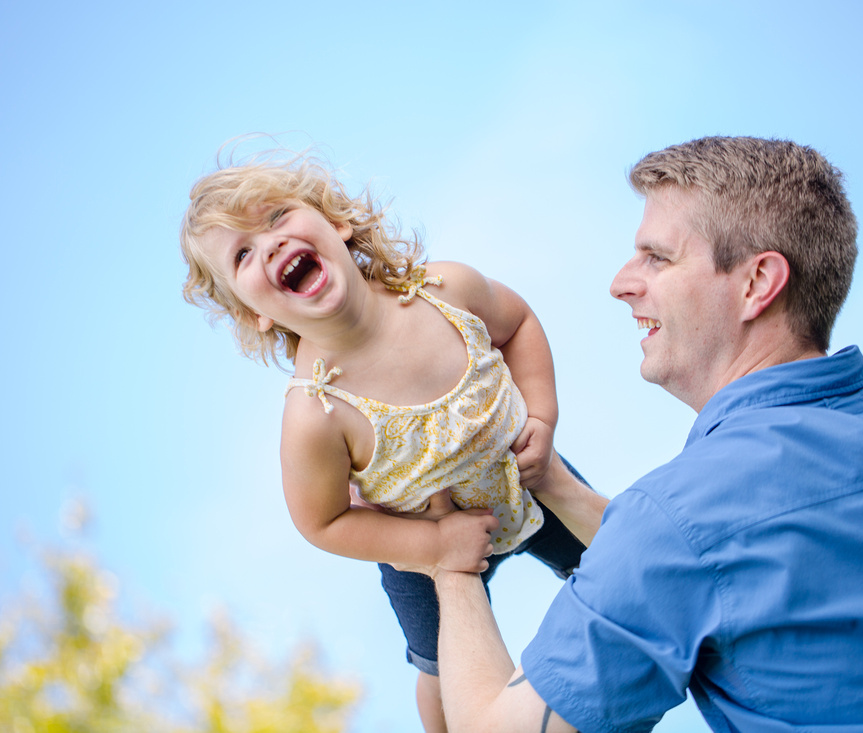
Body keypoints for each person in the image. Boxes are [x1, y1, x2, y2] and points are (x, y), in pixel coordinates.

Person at [418, 136, 863, 732]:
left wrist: (448, 563)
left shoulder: (674, 518)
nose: (621, 282)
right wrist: (559, 486)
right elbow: (720, 553)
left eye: (657, 258)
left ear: (756, 283)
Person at [178, 147, 590, 732]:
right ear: (253, 315)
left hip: (526, 476)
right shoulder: (317, 413)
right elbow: (321, 522)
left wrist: (542, 420)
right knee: (442, 671)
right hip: (421, 541)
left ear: (337, 224)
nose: (268, 243)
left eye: (276, 219)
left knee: (616, 556)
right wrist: (436, 547)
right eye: (243, 253)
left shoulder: (444, 291)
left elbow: (518, 324)